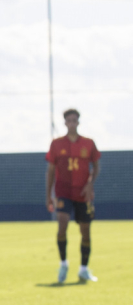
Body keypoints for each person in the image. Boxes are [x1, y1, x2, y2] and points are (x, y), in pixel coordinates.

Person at [46, 109, 99, 284]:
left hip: (83, 194)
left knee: (85, 231)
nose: (72, 123)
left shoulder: (88, 143)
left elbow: (96, 166)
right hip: (63, 192)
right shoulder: (56, 144)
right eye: (68, 120)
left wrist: (90, 184)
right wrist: (49, 195)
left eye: (74, 120)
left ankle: (83, 269)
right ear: (65, 123)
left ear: (78, 122)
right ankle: (63, 264)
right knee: (62, 226)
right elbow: (51, 171)